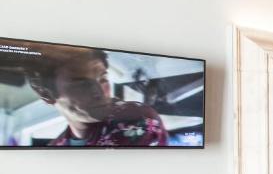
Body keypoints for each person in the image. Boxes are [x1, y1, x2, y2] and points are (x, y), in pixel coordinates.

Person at [22, 44, 168, 147]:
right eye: (81, 83)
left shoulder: (135, 119)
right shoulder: (56, 146)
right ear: (45, 93)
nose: (99, 92)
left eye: (103, 79)